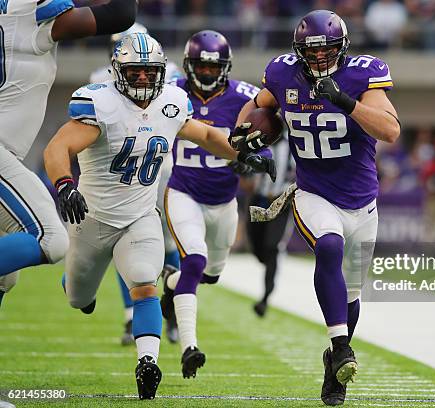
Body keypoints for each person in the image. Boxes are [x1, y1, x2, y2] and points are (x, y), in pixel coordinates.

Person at [43, 33, 275, 399]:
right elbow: (59, 146)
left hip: (139, 215)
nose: (142, 79)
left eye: (148, 72)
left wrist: (241, 153)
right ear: (118, 72)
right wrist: (64, 184)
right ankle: (74, 284)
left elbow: (207, 135)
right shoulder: (99, 102)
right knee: (77, 297)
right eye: (134, 72)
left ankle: (147, 363)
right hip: (91, 217)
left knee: (145, 284)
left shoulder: (171, 101)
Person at [233, 9, 400, 406]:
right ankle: (341, 346)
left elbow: (391, 129)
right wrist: (242, 140)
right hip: (313, 192)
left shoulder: (363, 74)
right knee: (328, 247)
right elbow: (256, 109)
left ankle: (333, 364)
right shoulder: (282, 72)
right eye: (312, 52)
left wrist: (344, 101)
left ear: (341, 48)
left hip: (362, 200)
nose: (320, 59)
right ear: (298, 50)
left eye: (327, 51)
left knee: (353, 291)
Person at [0, 0, 137, 307]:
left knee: (5, 276)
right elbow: (121, 13)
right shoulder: (26, 16)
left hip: (7, 152)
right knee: (49, 238)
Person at [158, 30, 267, 379]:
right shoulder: (170, 92)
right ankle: (189, 346)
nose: (206, 74)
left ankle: (172, 284)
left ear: (225, 67)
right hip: (183, 192)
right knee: (195, 258)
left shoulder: (244, 97)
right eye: (200, 68)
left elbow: (270, 132)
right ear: (189, 66)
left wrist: (252, 156)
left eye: (212, 68)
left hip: (223, 201)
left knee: (211, 273)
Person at [88, 21, 183, 346]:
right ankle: (133, 315)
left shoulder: (168, 75)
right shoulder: (100, 82)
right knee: (123, 239)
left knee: (171, 241)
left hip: (160, 165)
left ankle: (170, 310)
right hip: (120, 176)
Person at [248, 134, 295, 317]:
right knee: (257, 248)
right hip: (259, 199)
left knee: (272, 247)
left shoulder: (294, 143)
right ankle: (270, 263)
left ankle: (265, 298)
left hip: (281, 202)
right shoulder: (258, 140)